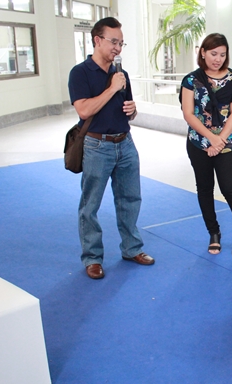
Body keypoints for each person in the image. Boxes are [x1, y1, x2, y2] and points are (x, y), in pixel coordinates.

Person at [68, 17, 154, 279]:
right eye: (114, 42)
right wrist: (112, 88)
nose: (118, 48)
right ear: (97, 40)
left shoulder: (121, 73)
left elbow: (128, 111)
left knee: (130, 199)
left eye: (121, 43)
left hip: (125, 143)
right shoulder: (80, 73)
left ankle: (131, 248)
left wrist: (133, 109)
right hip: (96, 145)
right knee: (90, 205)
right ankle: (92, 258)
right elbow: (84, 110)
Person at [179, 33, 232, 256]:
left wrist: (219, 141)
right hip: (199, 142)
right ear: (203, 52)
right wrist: (211, 138)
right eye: (213, 54)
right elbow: (188, 114)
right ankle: (214, 233)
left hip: (226, 143)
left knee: (229, 188)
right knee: (204, 188)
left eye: (222, 54)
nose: (218, 59)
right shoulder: (191, 80)